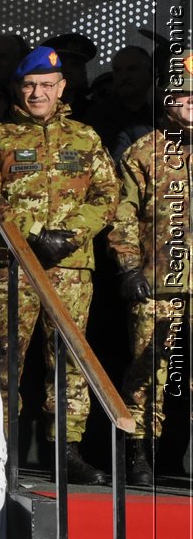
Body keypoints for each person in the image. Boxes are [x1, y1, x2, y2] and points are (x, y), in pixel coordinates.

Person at [0, 46, 120, 485]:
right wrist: (31, 232)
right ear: (18, 87)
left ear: (62, 88)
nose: (37, 93)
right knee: (4, 358)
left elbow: (107, 197)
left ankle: (65, 451)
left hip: (70, 268)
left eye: (46, 86)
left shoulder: (86, 138)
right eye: (30, 85)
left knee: (70, 358)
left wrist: (68, 236)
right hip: (14, 263)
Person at [107, 55, 192, 487]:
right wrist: (128, 267)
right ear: (165, 99)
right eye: (182, 94)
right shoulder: (143, 152)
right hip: (157, 286)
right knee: (146, 373)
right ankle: (141, 455)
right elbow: (121, 215)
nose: (190, 101)